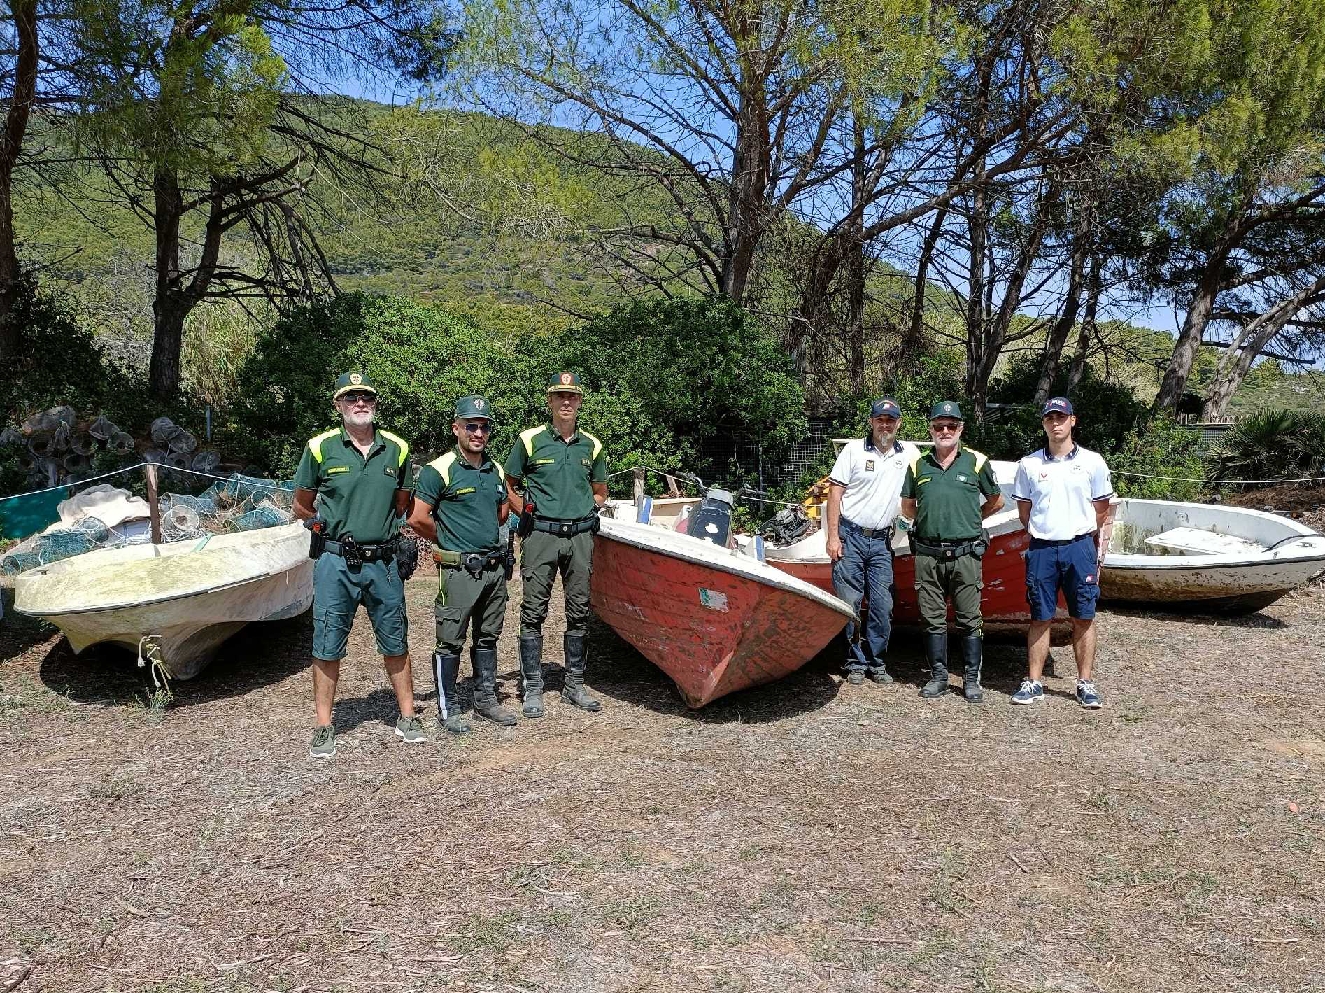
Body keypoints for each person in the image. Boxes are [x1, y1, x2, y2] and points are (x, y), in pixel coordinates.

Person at [293, 371, 422, 758]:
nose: (360, 403)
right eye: (351, 398)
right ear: (339, 406)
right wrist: (323, 529)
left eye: (366, 397)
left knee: (396, 640)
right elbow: (302, 504)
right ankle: (323, 726)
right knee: (327, 642)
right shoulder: (320, 448)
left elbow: (402, 503)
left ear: (375, 404)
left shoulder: (396, 449)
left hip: (383, 562)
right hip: (335, 563)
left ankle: (408, 717)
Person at [408, 395, 514, 733]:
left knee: (487, 637)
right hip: (458, 570)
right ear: (456, 428)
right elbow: (417, 518)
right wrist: (451, 539)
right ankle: (447, 707)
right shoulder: (438, 470)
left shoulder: (494, 469)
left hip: (494, 569)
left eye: (484, 426)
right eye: (471, 425)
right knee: (450, 639)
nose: (478, 432)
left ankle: (485, 699)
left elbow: (501, 511)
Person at [505, 372, 608, 718]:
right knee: (533, 610)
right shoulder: (530, 440)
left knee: (579, 609)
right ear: (550, 401)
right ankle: (532, 687)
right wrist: (527, 514)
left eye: (572, 397)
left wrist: (586, 508)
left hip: (579, 536)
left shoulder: (591, 445)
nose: (566, 402)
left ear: (579, 402)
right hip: (542, 536)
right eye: (559, 396)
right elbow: (509, 483)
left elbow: (600, 490)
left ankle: (574, 684)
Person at [1010, 397, 1114, 709]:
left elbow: (1102, 508)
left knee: (1083, 615)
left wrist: (1078, 532)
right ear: (1043, 423)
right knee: (1040, 615)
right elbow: (1024, 510)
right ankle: (1034, 682)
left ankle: (1085, 683)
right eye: (1049, 418)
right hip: (1042, 548)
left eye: (1061, 417)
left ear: (1072, 421)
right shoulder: (1029, 464)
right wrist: (1047, 531)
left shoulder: (1093, 462)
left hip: (1079, 547)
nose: (1055, 423)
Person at [899, 401, 1003, 703]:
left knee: (970, 618)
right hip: (927, 555)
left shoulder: (977, 462)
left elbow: (996, 501)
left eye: (951, 426)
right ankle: (939, 677)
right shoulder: (918, 464)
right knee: (932, 619)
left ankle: (971, 680)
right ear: (930, 429)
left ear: (961, 429)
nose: (945, 431)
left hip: (966, 554)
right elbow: (908, 507)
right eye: (939, 426)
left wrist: (970, 520)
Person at [824, 398, 920, 685]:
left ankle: (876, 661)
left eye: (891, 420)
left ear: (899, 423)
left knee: (882, 604)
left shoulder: (910, 453)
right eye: (880, 419)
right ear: (872, 422)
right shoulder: (853, 451)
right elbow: (834, 494)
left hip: (882, 541)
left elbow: (924, 485)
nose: (885, 425)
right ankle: (854, 662)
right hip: (850, 536)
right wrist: (832, 536)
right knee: (850, 603)